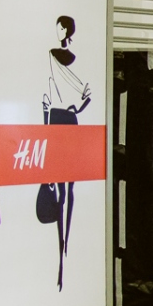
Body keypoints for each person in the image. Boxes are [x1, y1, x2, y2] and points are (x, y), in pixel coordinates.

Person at [43, 15, 90, 290]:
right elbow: (48, 93)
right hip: (58, 120)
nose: (57, 30)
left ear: (66, 30)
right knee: (62, 188)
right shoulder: (52, 56)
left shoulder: (70, 58)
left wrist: (77, 108)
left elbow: (88, 92)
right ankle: (61, 246)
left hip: (67, 121)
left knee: (69, 187)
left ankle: (66, 244)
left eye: (60, 27)